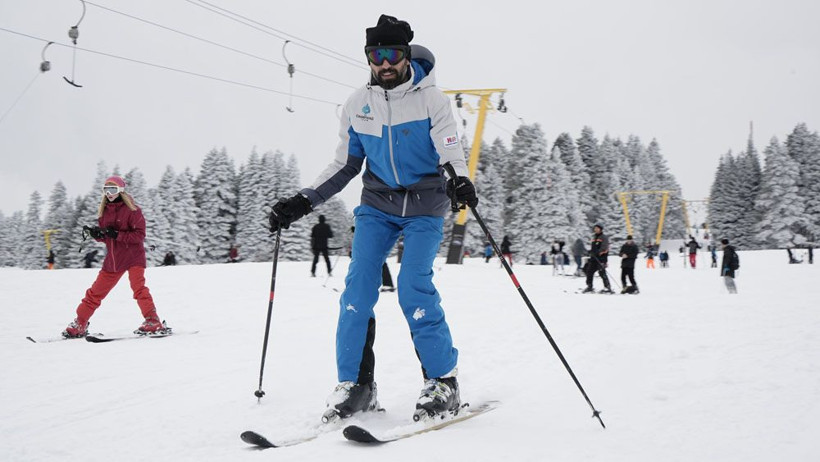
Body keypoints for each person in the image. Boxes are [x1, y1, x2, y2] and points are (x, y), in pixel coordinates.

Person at [266, 14, 475, 423]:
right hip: (378, 206)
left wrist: (459, 180)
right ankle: (357, 385)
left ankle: (442, 382)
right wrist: (303, 201)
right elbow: (345, 165)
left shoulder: (432, 100)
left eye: (392, 54)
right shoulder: (357, 105)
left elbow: (449, 150)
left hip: (424, 206)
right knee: (357, 290)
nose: (385, 64)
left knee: (413, 287)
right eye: (376, 56)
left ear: (406, 55)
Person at [62, 175, 169, 338]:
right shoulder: (103, 212)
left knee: (139, 289)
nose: (109, 193)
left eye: (113, 189)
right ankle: (80, 323)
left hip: (133, 257)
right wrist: (97, 234)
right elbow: (107, 238)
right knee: (95, 293)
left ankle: (153, 321)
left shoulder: (133, 210)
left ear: (121, 190)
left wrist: (117, 234)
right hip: (114, 260)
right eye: (106, 190)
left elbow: (139, 236)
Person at [584, 224, 612, 293]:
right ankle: (589, 286)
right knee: (589, 271)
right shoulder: (594, 237)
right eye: (595, 228)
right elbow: (593, 247)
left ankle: (607, 287)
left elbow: (605, 248)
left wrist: (598, 252)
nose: (595, 229)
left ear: (600, 229)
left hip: (601, 258)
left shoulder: (604, 237)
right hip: (593, 258)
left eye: (597, 228)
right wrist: (590, 251)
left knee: (602, 272)